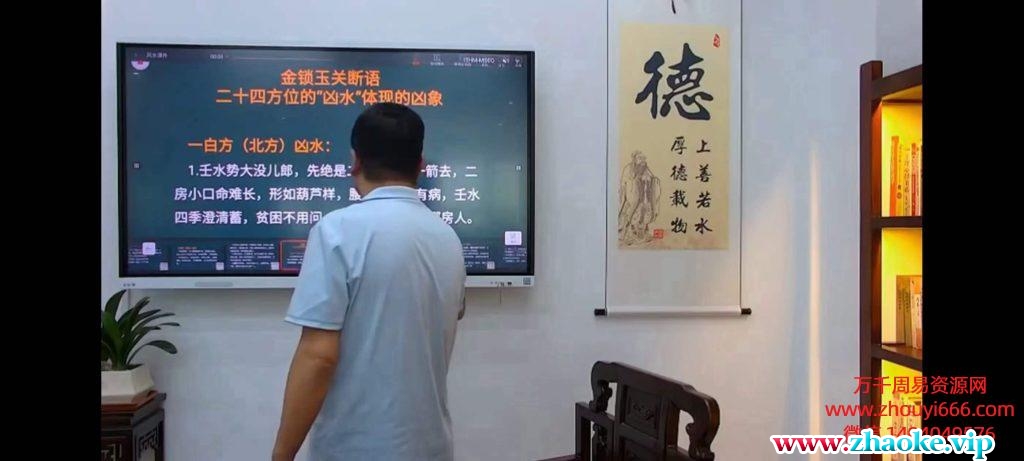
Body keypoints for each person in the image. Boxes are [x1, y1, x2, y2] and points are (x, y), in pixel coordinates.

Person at [272, 103, 466, 461]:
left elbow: (318, 357)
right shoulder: (448, 238)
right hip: (432, 447)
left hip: (356, 448)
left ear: (356, 161)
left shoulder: (337, 231)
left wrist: (282, 454)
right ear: (420, 164)